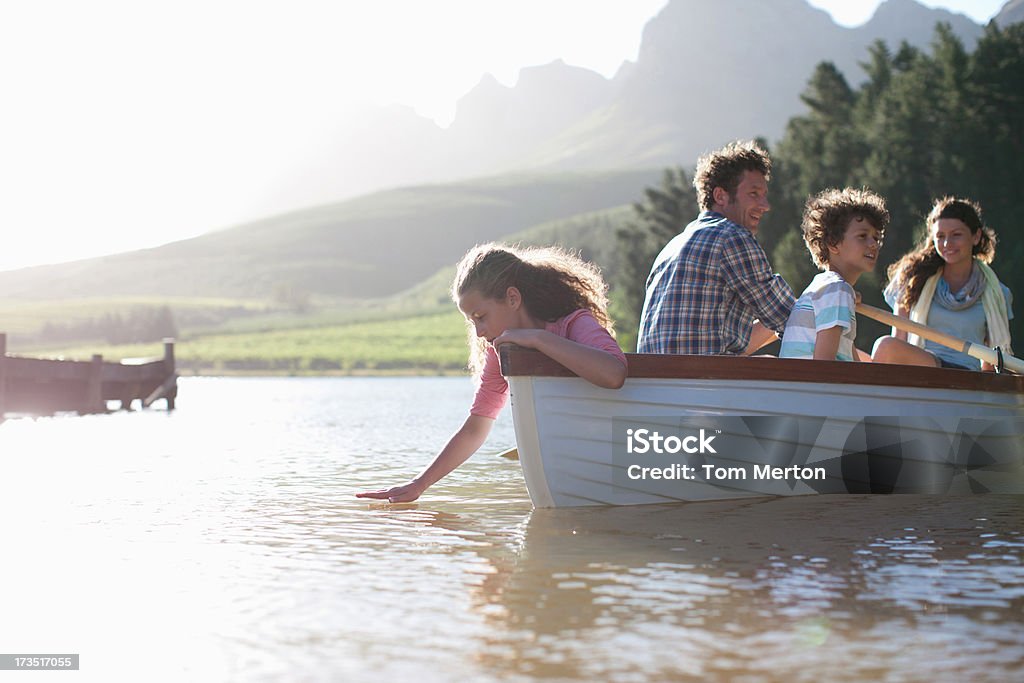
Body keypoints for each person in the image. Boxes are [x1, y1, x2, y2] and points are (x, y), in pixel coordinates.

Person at [356, 243, 627, 504]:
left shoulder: (575, 322)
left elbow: (614, 374)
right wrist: (418, 485)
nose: (478, 331)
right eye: (471, 322)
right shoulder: (500, 352)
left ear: (512, 298)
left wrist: (538, 339)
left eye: (481, 316)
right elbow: (476, 428)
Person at [637, 140, 795, 355]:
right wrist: (829, 303)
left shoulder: (671, 248)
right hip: (703, 383)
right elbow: (792, 320)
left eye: (764, 195)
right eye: (753, 194)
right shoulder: (732, 237)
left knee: (766, 361)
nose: (765, 205)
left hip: (660, 382)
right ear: (720, 196)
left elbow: (771, 316)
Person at [872, 197, 1013, 370]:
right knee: (886, 346)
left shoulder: (997, 293)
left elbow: (990, 362)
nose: (947, 244)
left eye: (956, 235)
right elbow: (899, 340)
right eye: (940, 236)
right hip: (924, 368)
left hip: (966, 376)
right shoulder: (914, 280)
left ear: (975, 236)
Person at [779, 188, 889, 361]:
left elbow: (846, 353)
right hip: (812, 386)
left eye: (876, 238)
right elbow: (824, 365)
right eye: (862, 236)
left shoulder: (828, 287)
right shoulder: (837, 290)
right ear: (833, 244)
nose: (873, 244)